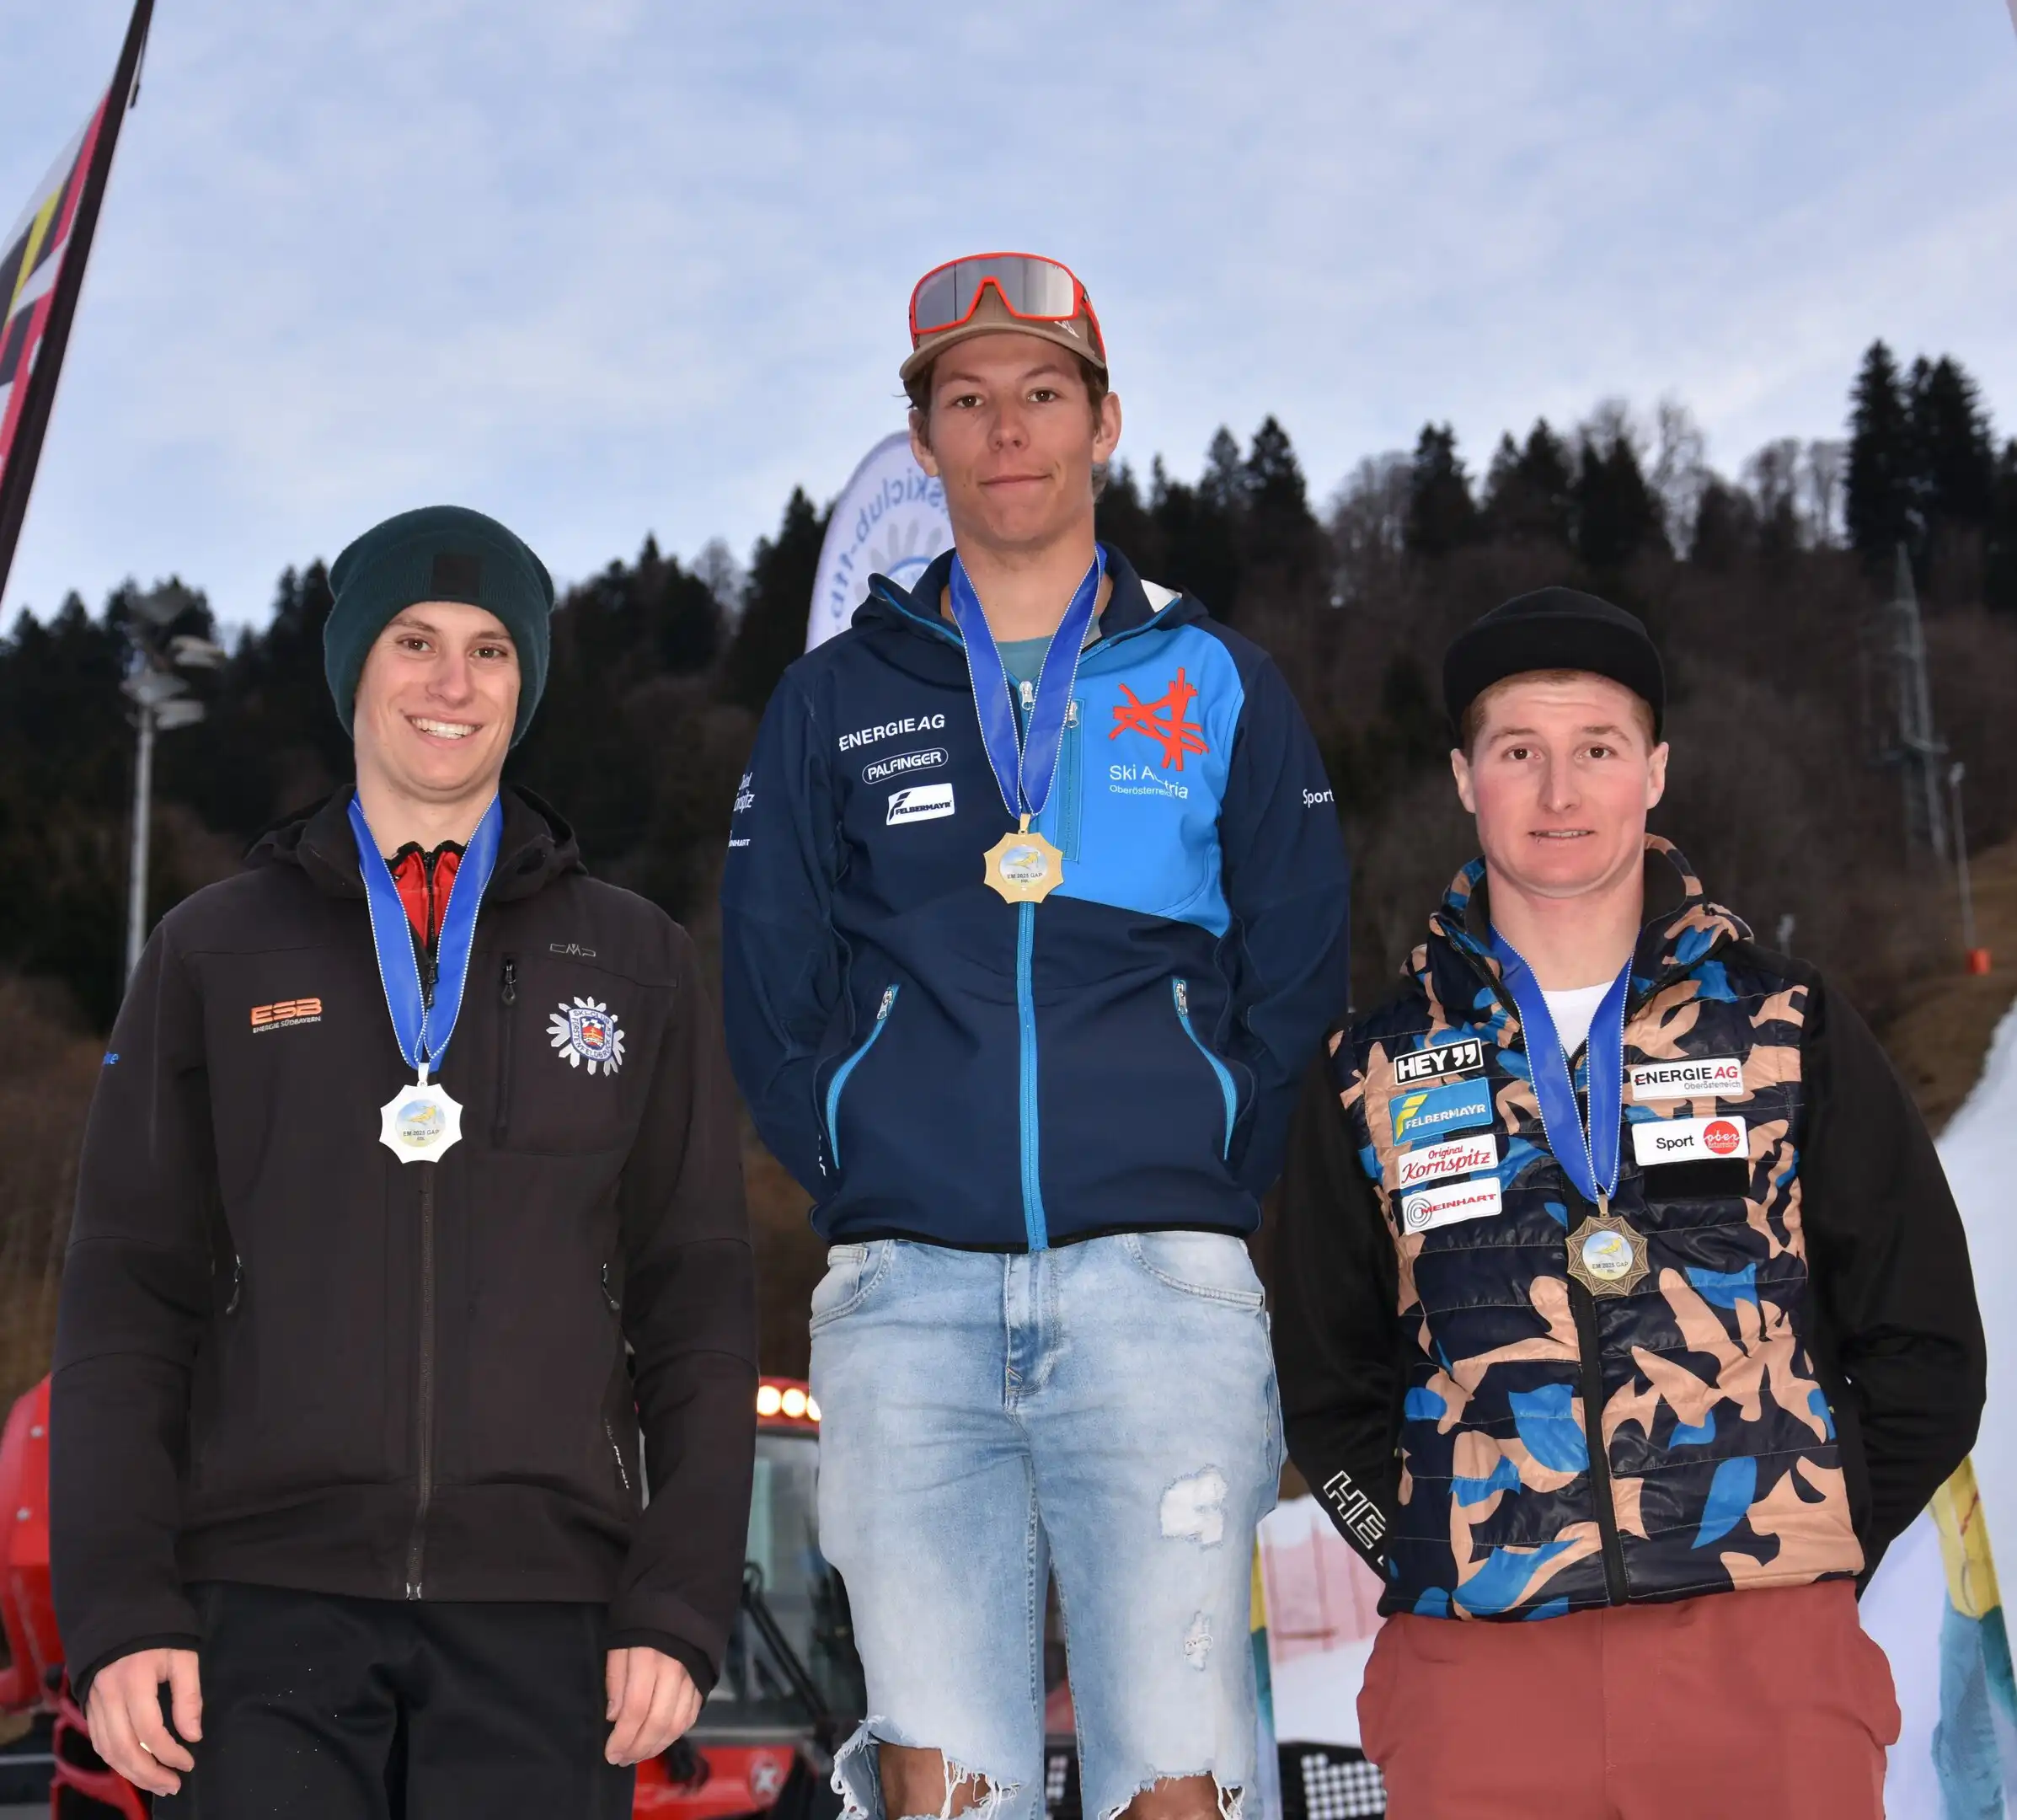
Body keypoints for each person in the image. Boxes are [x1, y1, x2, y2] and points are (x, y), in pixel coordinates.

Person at [721, 254, 1351, 1820]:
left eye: (1042, 393)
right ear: (924, 442)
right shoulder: (828, 700)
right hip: (903, 1303)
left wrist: (1203, 1161)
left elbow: (1296, 972)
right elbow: (768, 978)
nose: (1007, 430)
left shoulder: (1218, 684)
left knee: (1176, 1774)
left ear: (1106, 421)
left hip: (1162, 1291)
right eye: (966, 399)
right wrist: (861, 1156)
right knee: (941, 1783)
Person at [51, 506, 757, 1817]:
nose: (453, 683)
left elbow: (697, 1305)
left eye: (493, 650)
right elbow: (122, 1299)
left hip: (552, 1621)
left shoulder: (635, 957)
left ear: (526, 683)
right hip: (257, 1616)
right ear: (353, 673)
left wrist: (676, 1602)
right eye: (415, 642)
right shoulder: (213, 951)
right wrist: (119, 1605)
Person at [1272, 586, 1987, 1818]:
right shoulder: (1366, 1070)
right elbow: (1324, 1388)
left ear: (1651, 772)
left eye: (1595, 750)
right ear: (1461, 777)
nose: (1559, 794)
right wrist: (1423, 1550)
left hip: (1761, 1671)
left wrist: (1814, 1542)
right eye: (1518, 753)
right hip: (1478, 1681)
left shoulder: (1787, 1024)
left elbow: (1925, 1342)